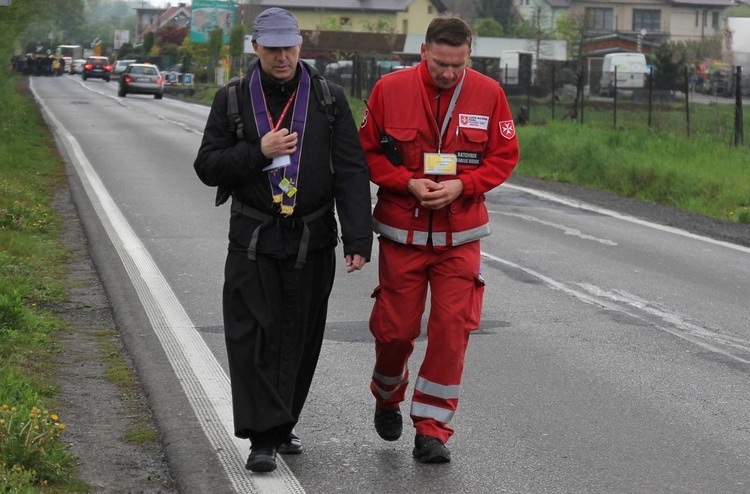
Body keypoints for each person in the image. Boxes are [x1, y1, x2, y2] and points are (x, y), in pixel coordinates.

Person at [193, 7, 373, 473]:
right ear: (256, 48)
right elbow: (207, 165)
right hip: (253, 237)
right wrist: (259, 152)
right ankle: (262, 437)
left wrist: (357, 237)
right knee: (252, 336)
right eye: (271, 48)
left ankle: (282, 420)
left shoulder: (329, 100)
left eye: (288, 47)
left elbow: (351, 171)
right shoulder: (232, 98)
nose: (281, 57)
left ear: (300, 45)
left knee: (301, 335)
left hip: (312, 238)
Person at [359, 15, 519, 463]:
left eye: (458, 64)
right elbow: (367, 151)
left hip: (460, 235)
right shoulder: (389, 90)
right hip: (402, 234)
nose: (448, 74)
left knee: (452, 330)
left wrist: (463, 186)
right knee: (396, 331)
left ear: (470, 55)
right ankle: (386, 395)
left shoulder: (489, 94)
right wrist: (405, 181)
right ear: (424, 50)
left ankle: (433, 430)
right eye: (440, 64)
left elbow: (505, 155)